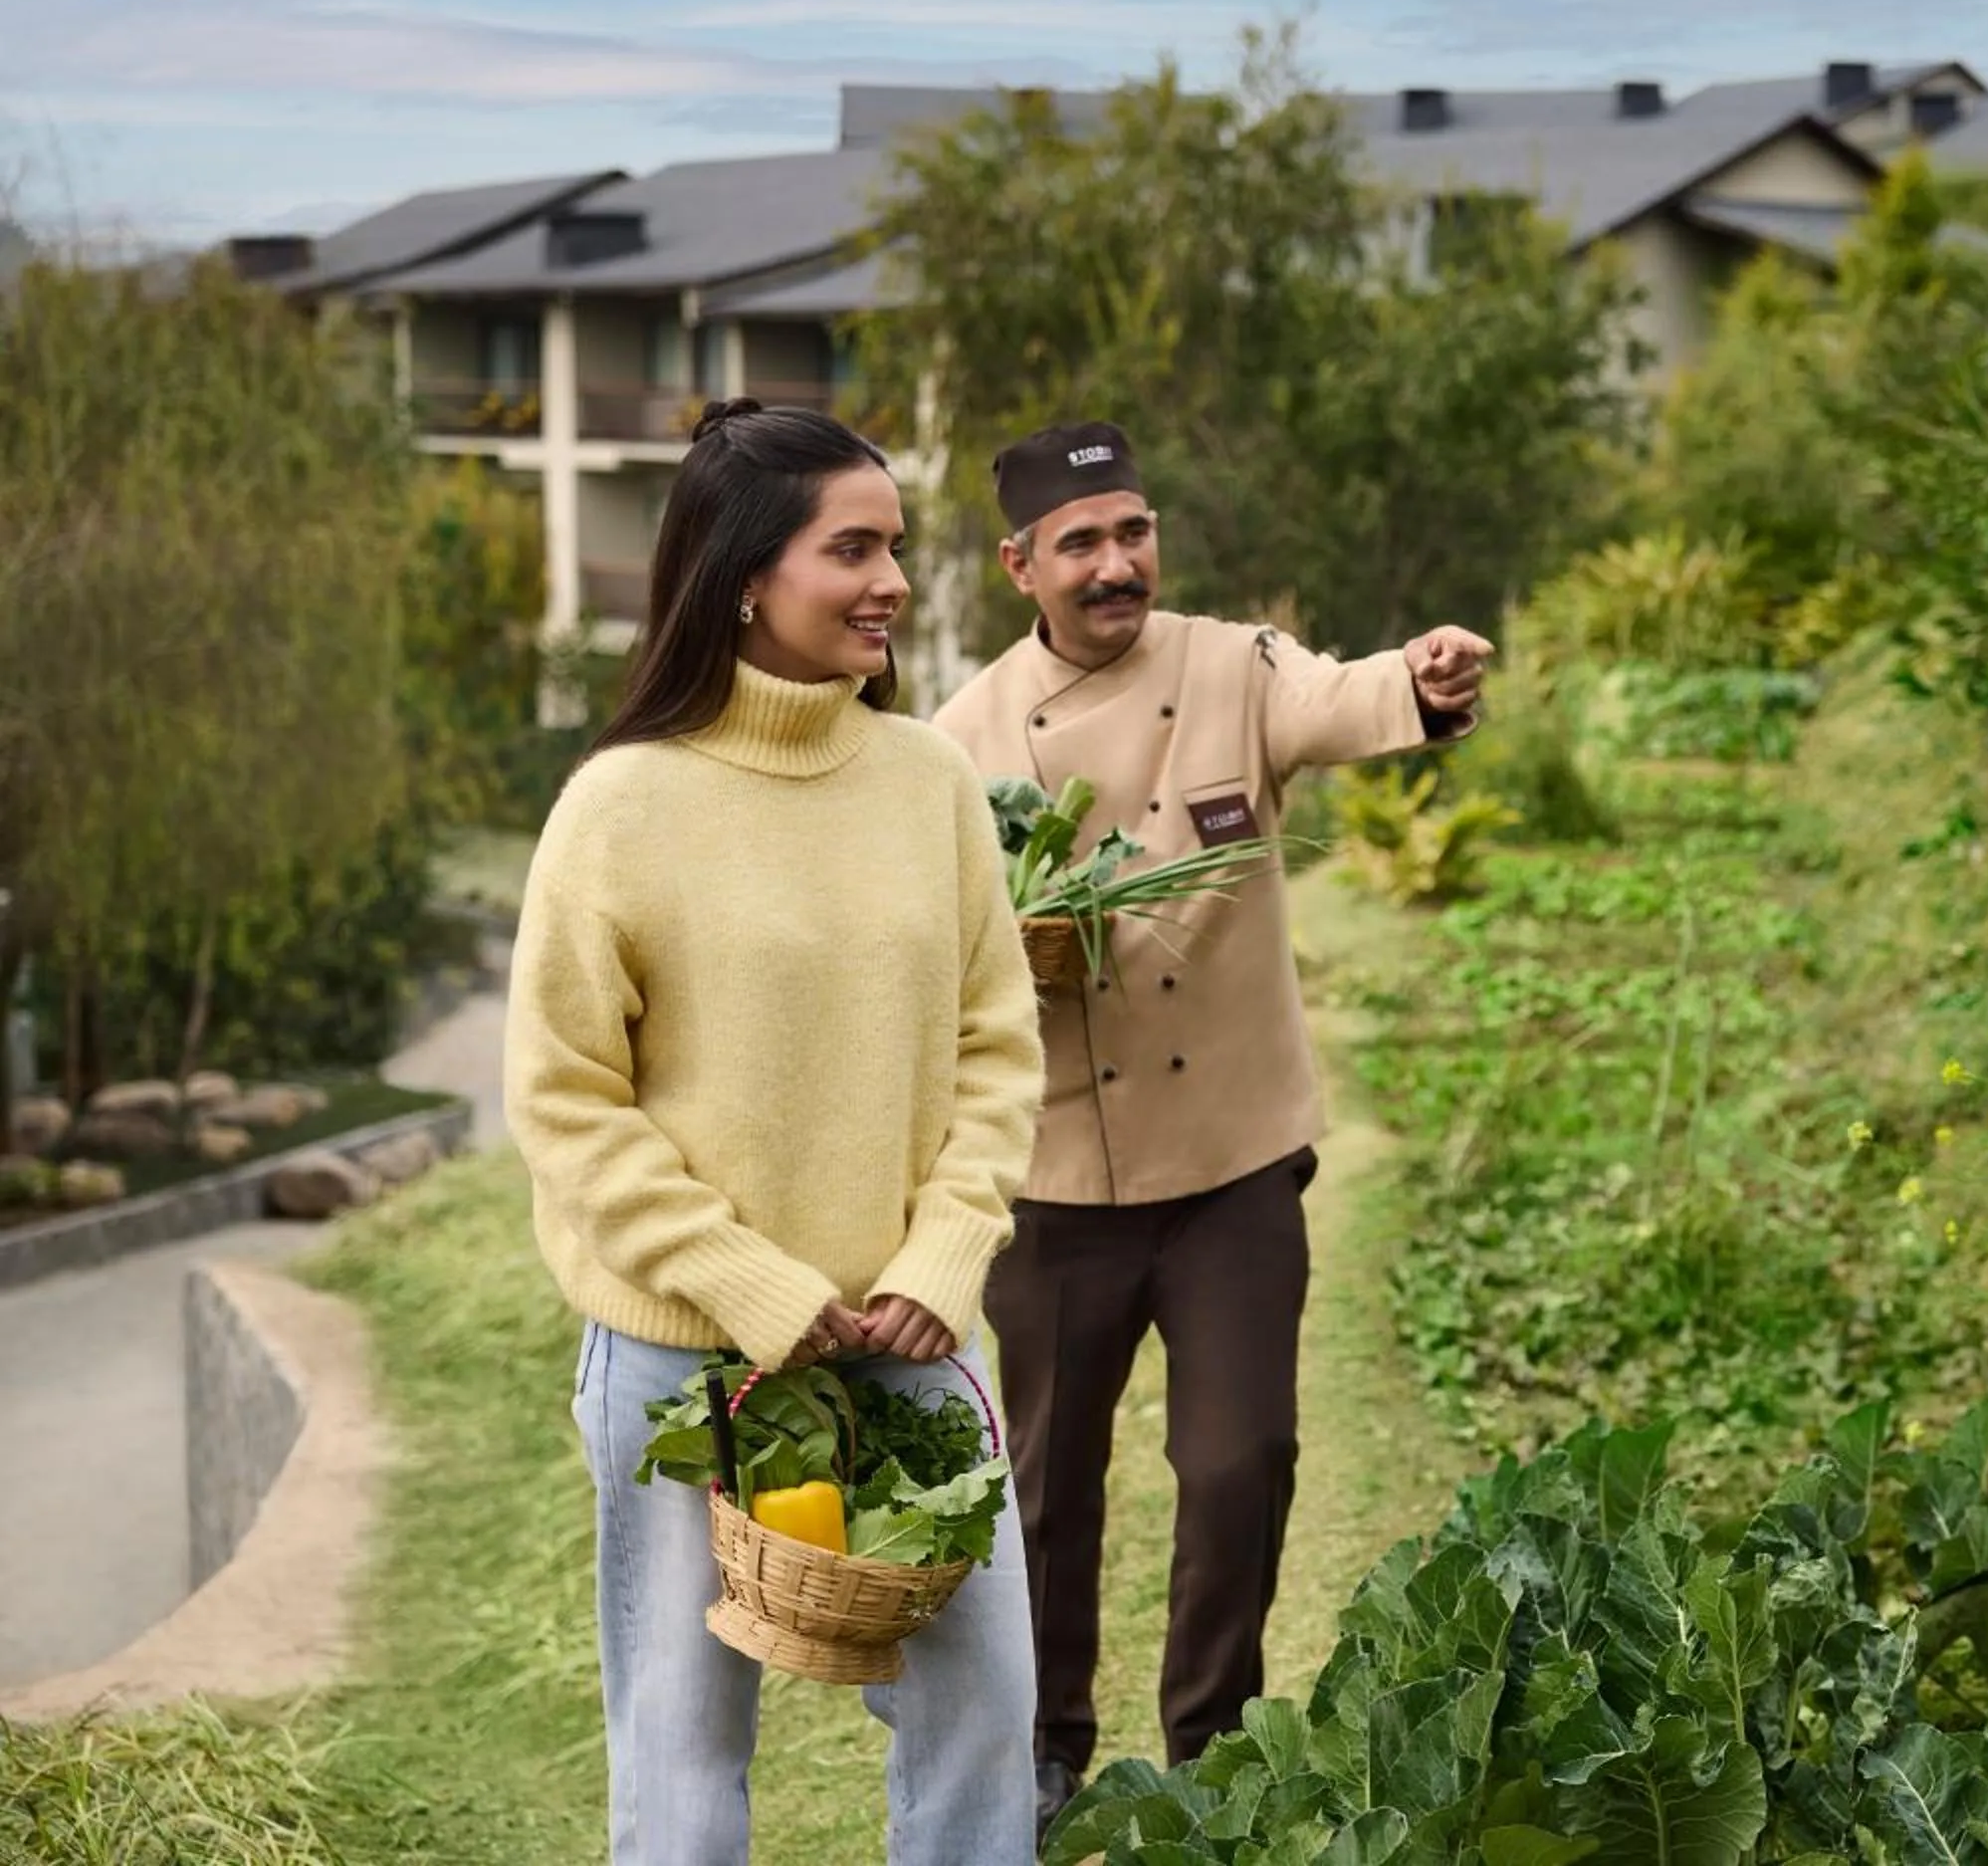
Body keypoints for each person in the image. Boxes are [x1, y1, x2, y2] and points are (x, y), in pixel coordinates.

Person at [505, 398, 1048, 1866]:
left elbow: (999, 1047)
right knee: (683, 1751)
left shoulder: (929, 783)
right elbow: (564, 1099)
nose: (892, 582)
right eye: (851, 548)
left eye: (896, 546)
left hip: (914, 1338)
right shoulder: (621, 807)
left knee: (990, 1713)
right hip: (687, 1358)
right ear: (749, 573)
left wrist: (943, 1262)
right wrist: (745, 1284)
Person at [932, 420, 1490, 1823]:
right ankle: (1048, 1749)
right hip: (1058, 1176)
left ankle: (1211, 1756)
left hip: (1235, 1162)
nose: (1116, 563)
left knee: (1242, 1463)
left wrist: (1424, 682)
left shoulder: (1236, 668)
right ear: (1019, 565)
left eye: (1133, 531)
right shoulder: (960, 740)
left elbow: (1347, 698)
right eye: (1081, 544)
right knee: (1051, 1489)